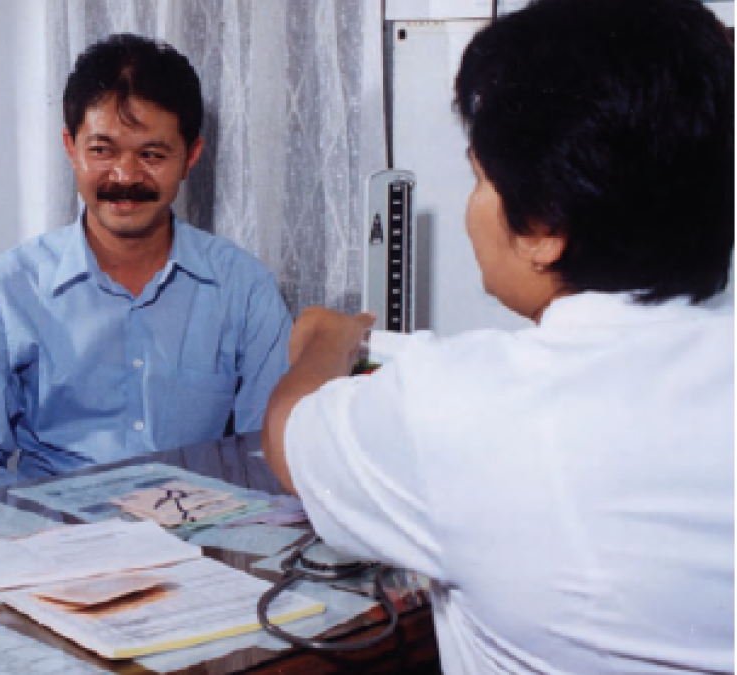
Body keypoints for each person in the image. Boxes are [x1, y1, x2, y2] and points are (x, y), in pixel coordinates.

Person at [262, 0, 734, 673]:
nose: (473, 206)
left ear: (542, 225)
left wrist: (322, 345)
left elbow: (288, 436)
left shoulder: (457, 408)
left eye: (480, 179)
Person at [0, 33, 292, 491]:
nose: (125, 177)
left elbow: (268, 452)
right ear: (70, 147)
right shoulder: (5, 290)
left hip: (204, 540)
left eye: (152, 155)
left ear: (191, 157)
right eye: (102, 151)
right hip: (52, 542)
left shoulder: (244, 287)